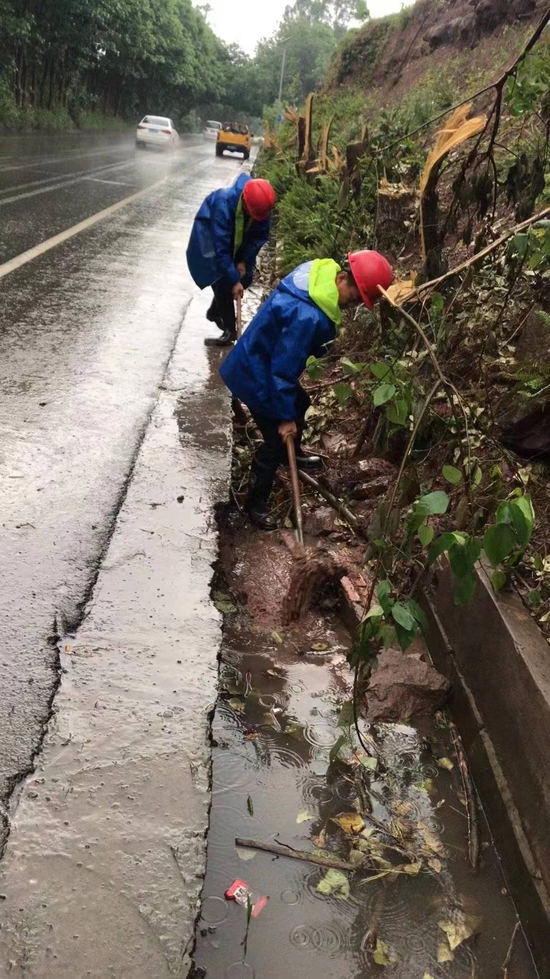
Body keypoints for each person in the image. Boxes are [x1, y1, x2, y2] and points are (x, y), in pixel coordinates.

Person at [220, 251, 394, 529]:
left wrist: (290, 409)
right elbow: (282, 370)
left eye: (362, 299)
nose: (355, 303)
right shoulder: (308, 315)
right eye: (355, 294)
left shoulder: (317, 275)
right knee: (275, 442)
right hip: (255, 375)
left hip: (260, 362)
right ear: (341, 277)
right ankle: (255, 503)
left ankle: (296, 452)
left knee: (301, 401)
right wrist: (284, 419)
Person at [186, 173, 276, 347]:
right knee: (222, 279)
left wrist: (244, 261)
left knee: (246, 278)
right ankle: (230, 330)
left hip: (239, 239)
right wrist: (234, 280)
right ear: (245, 202)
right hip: (211, 237)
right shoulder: (223, 204)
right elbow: (221, 249)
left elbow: (258, 237)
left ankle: (215, 311)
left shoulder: (262, 207)